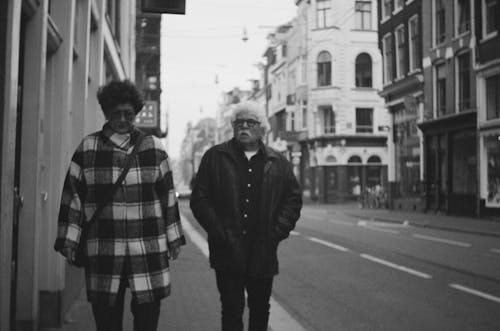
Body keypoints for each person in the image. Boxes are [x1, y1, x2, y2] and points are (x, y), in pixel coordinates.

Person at [54, 80, 185, 331]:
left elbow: (168, 196)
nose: (123, 119)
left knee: (147, 319)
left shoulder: (154, 148)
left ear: (135, 113)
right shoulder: (88, 148)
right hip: (104, 247)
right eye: (116, 113)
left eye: (128, 113)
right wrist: (69, 240)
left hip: (147, 247)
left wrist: (173, 238)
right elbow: (73, 198)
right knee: (106, 320)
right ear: (106, 112)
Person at [190, 101, 302, 331]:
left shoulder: (277, 161)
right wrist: (219, 231)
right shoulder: (215, 157)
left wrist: (276, 233)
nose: (244, 127)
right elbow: (200, 199)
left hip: (262, 250)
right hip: (227, 250)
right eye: (239, 122)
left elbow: (292, 200)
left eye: (250, 122)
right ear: (233, 126)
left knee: (260, 311)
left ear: (261, 128)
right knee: (231, 311)